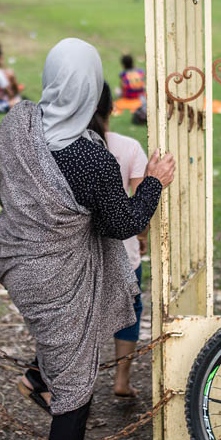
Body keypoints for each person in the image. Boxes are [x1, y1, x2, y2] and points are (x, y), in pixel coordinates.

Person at [0, 38, 175, 440]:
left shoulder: (17, 123)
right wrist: (153, 183)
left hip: (19, 264)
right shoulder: (92, 160)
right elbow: (122, 225)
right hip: (59, 276)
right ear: (95, 89)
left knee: (60, 351)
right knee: (75, 396)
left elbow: (1, 186)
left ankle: (37, 376)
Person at [86, 83, 148, 398]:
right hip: (123, 249)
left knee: (79, 314)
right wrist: (143, 235)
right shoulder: (130, 147)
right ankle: (121, 381)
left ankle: (72, 382)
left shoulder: (69, 148)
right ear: (113, 108)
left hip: (80, 252)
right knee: (130, 309)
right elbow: (141, 203)